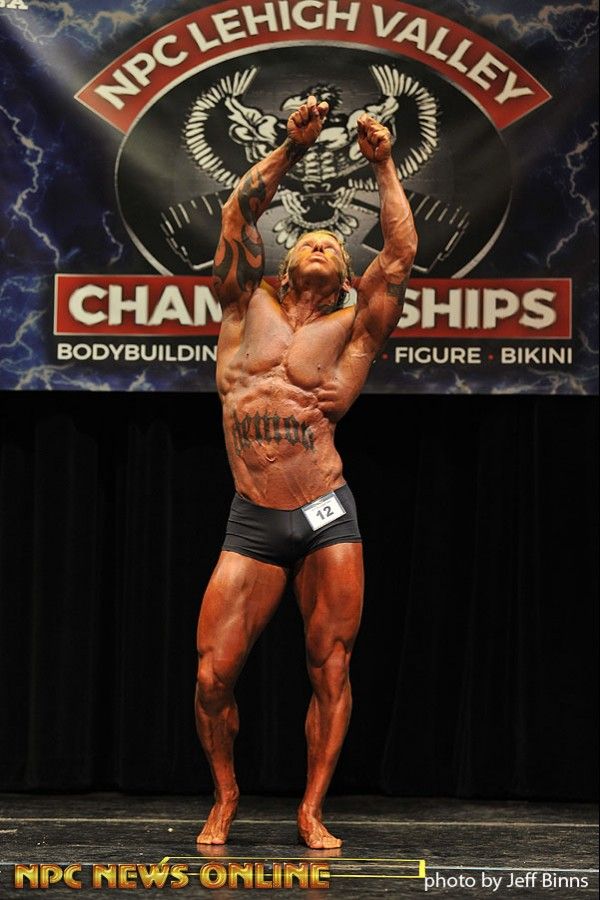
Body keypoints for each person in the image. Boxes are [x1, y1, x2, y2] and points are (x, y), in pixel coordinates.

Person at [195, 94, 417, 849]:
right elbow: (236, 214)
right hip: (254, 516)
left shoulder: (355, 329)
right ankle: (226, 794)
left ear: (347, 273)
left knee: (332, 668)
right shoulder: (240, 303)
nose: (321, 244)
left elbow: (400, 255)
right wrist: (293, 148)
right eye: (309, 241)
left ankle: (311, 808)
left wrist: (384, 165)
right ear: (283, 264)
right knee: (213, 675)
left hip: (326, 511)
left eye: (332, 244)